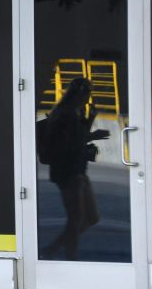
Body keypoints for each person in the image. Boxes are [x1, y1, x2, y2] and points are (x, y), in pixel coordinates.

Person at [41, 77, 110, 261]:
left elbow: (77, 137)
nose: (88, 98)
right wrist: (92, 135)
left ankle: (54, 249)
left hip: (76, 169)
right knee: (76, 220)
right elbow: (68, 143)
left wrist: (90, 119)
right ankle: (69, 258)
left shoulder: (73, 112)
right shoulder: (65, 114)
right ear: (80, 94)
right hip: (68, 171)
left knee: (90, 218)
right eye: (87, 94)